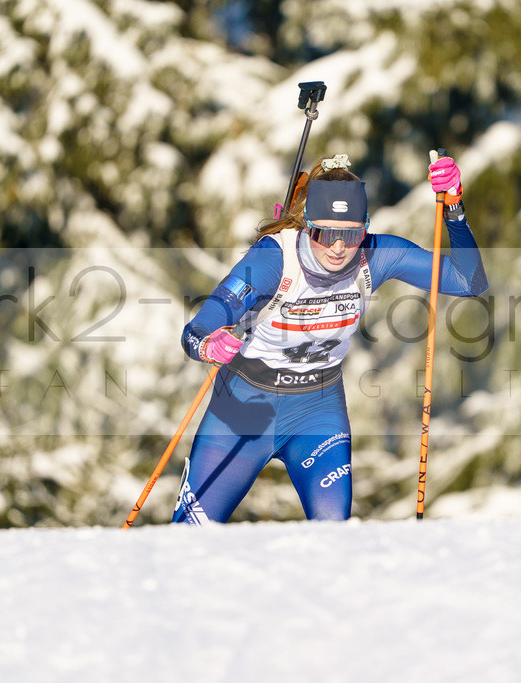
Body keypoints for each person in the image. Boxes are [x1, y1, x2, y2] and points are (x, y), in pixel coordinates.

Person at [174, 153, 488, 524]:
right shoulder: (272, 260)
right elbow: (198, 328)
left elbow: (469, 282)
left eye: (351, 234)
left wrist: (453, 207)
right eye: (325, 234)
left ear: (365, 229)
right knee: (190, 534)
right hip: (241, 408)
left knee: (334, 533)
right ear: (307, 225)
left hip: (317, 410)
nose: (339, 247)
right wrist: (209, 344)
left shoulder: (376, 255)